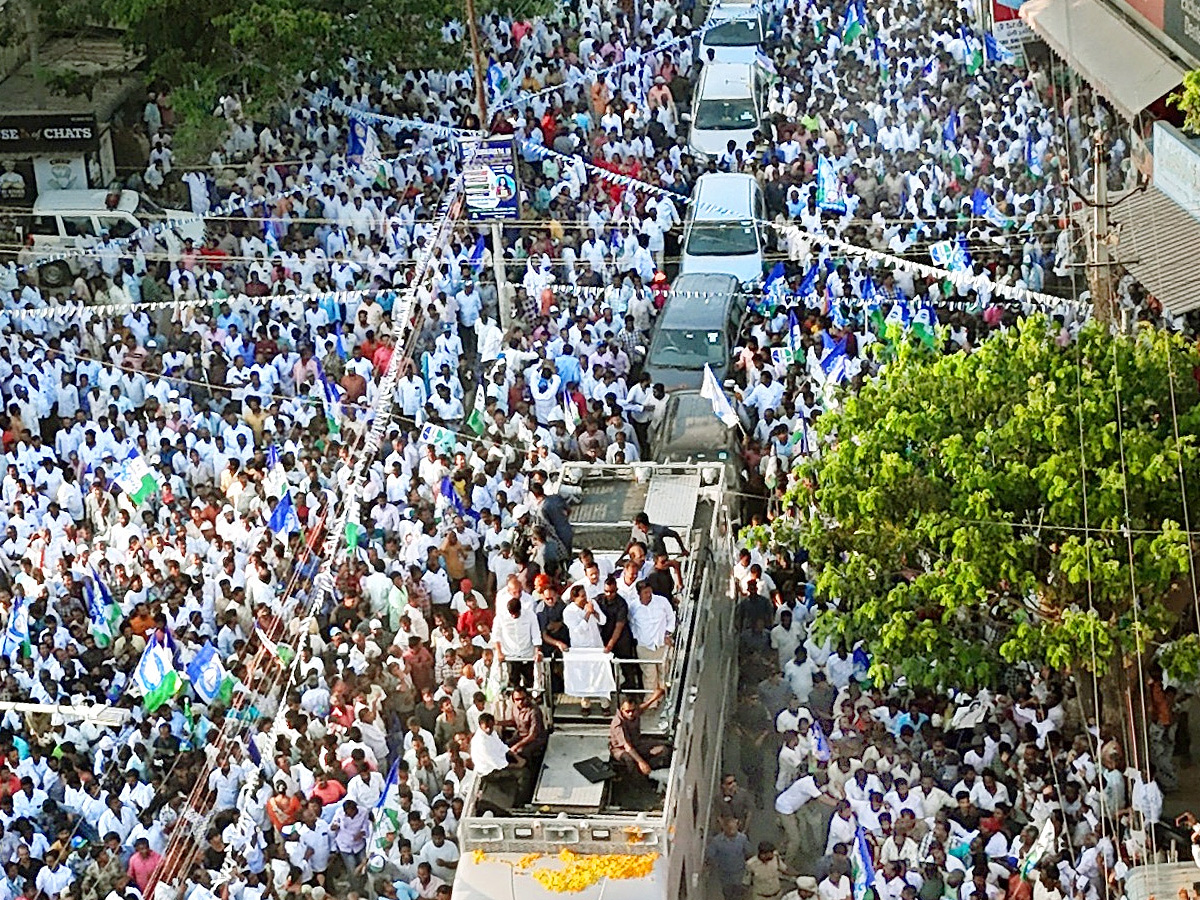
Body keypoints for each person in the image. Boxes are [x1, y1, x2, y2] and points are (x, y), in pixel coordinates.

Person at [608, 686, 669, 776]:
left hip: (636, 743)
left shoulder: (635, 712)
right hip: (621, 749)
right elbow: (627, 747)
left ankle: (650, 767)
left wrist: (655, 696)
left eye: (633, 710)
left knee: (665, 746)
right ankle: (635, 779)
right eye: (627, 711)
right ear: (622, 710)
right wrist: (641, 762)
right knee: (629, 758)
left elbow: (644, 706)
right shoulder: (618, 725)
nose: (631, 714)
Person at [706, 816, 753, 900]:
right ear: (724, 828)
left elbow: (749, 852)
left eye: (734, 828)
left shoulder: (742, 839)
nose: (733, 831)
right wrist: (714, 865)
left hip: (739, 872)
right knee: (728, 894)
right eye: (730, 828)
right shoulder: (717, 841)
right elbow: (710, 855)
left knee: (740, 893)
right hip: (725, 874)